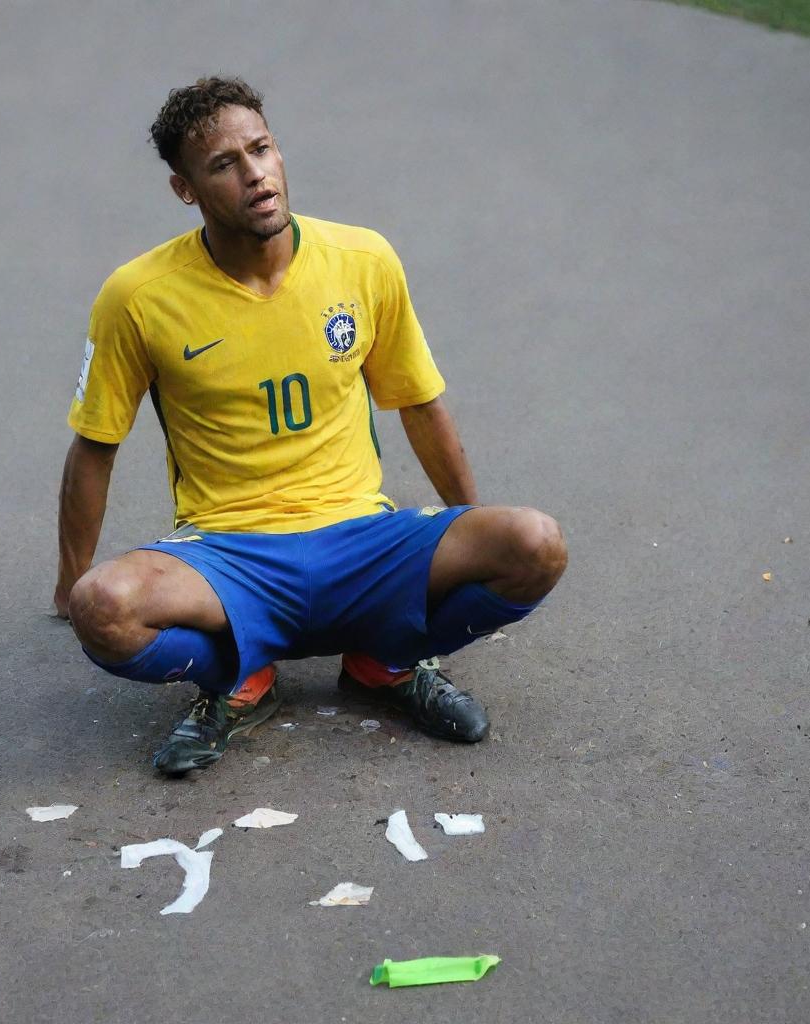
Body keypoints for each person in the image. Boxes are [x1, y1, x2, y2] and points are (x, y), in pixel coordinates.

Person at [55, 76, 567, 777]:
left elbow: (419, 404)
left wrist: (461, 532)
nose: (255, 174)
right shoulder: (137, 298)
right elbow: (95, 446)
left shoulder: (363, 261)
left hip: (364, 539)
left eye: (261, 148)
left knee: (534, 546)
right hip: (231, 553)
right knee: (102, 609)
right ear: (185, 189)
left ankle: (385, 662)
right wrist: (69, 581)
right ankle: (238, 676)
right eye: (224, 165)